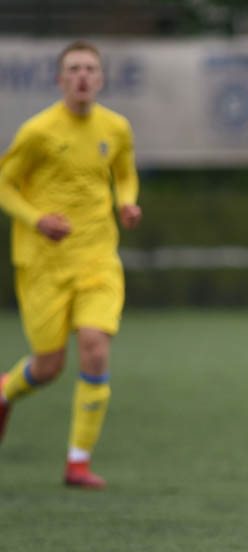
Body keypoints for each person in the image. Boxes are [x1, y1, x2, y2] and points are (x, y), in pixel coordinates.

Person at [0, 40, 142, 488]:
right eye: (74, 69)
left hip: (97, 256)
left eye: (90, 69)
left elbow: (125, 172)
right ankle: (4, 393)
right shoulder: (38, 132)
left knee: (95, 345)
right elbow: (4, 185)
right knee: (48, 366)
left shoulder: (115, 127)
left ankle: (77, 462)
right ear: (60, 79)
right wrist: (37, 219)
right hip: (43, 262)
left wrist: (127, 202)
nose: (82, 76)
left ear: (101, 79)